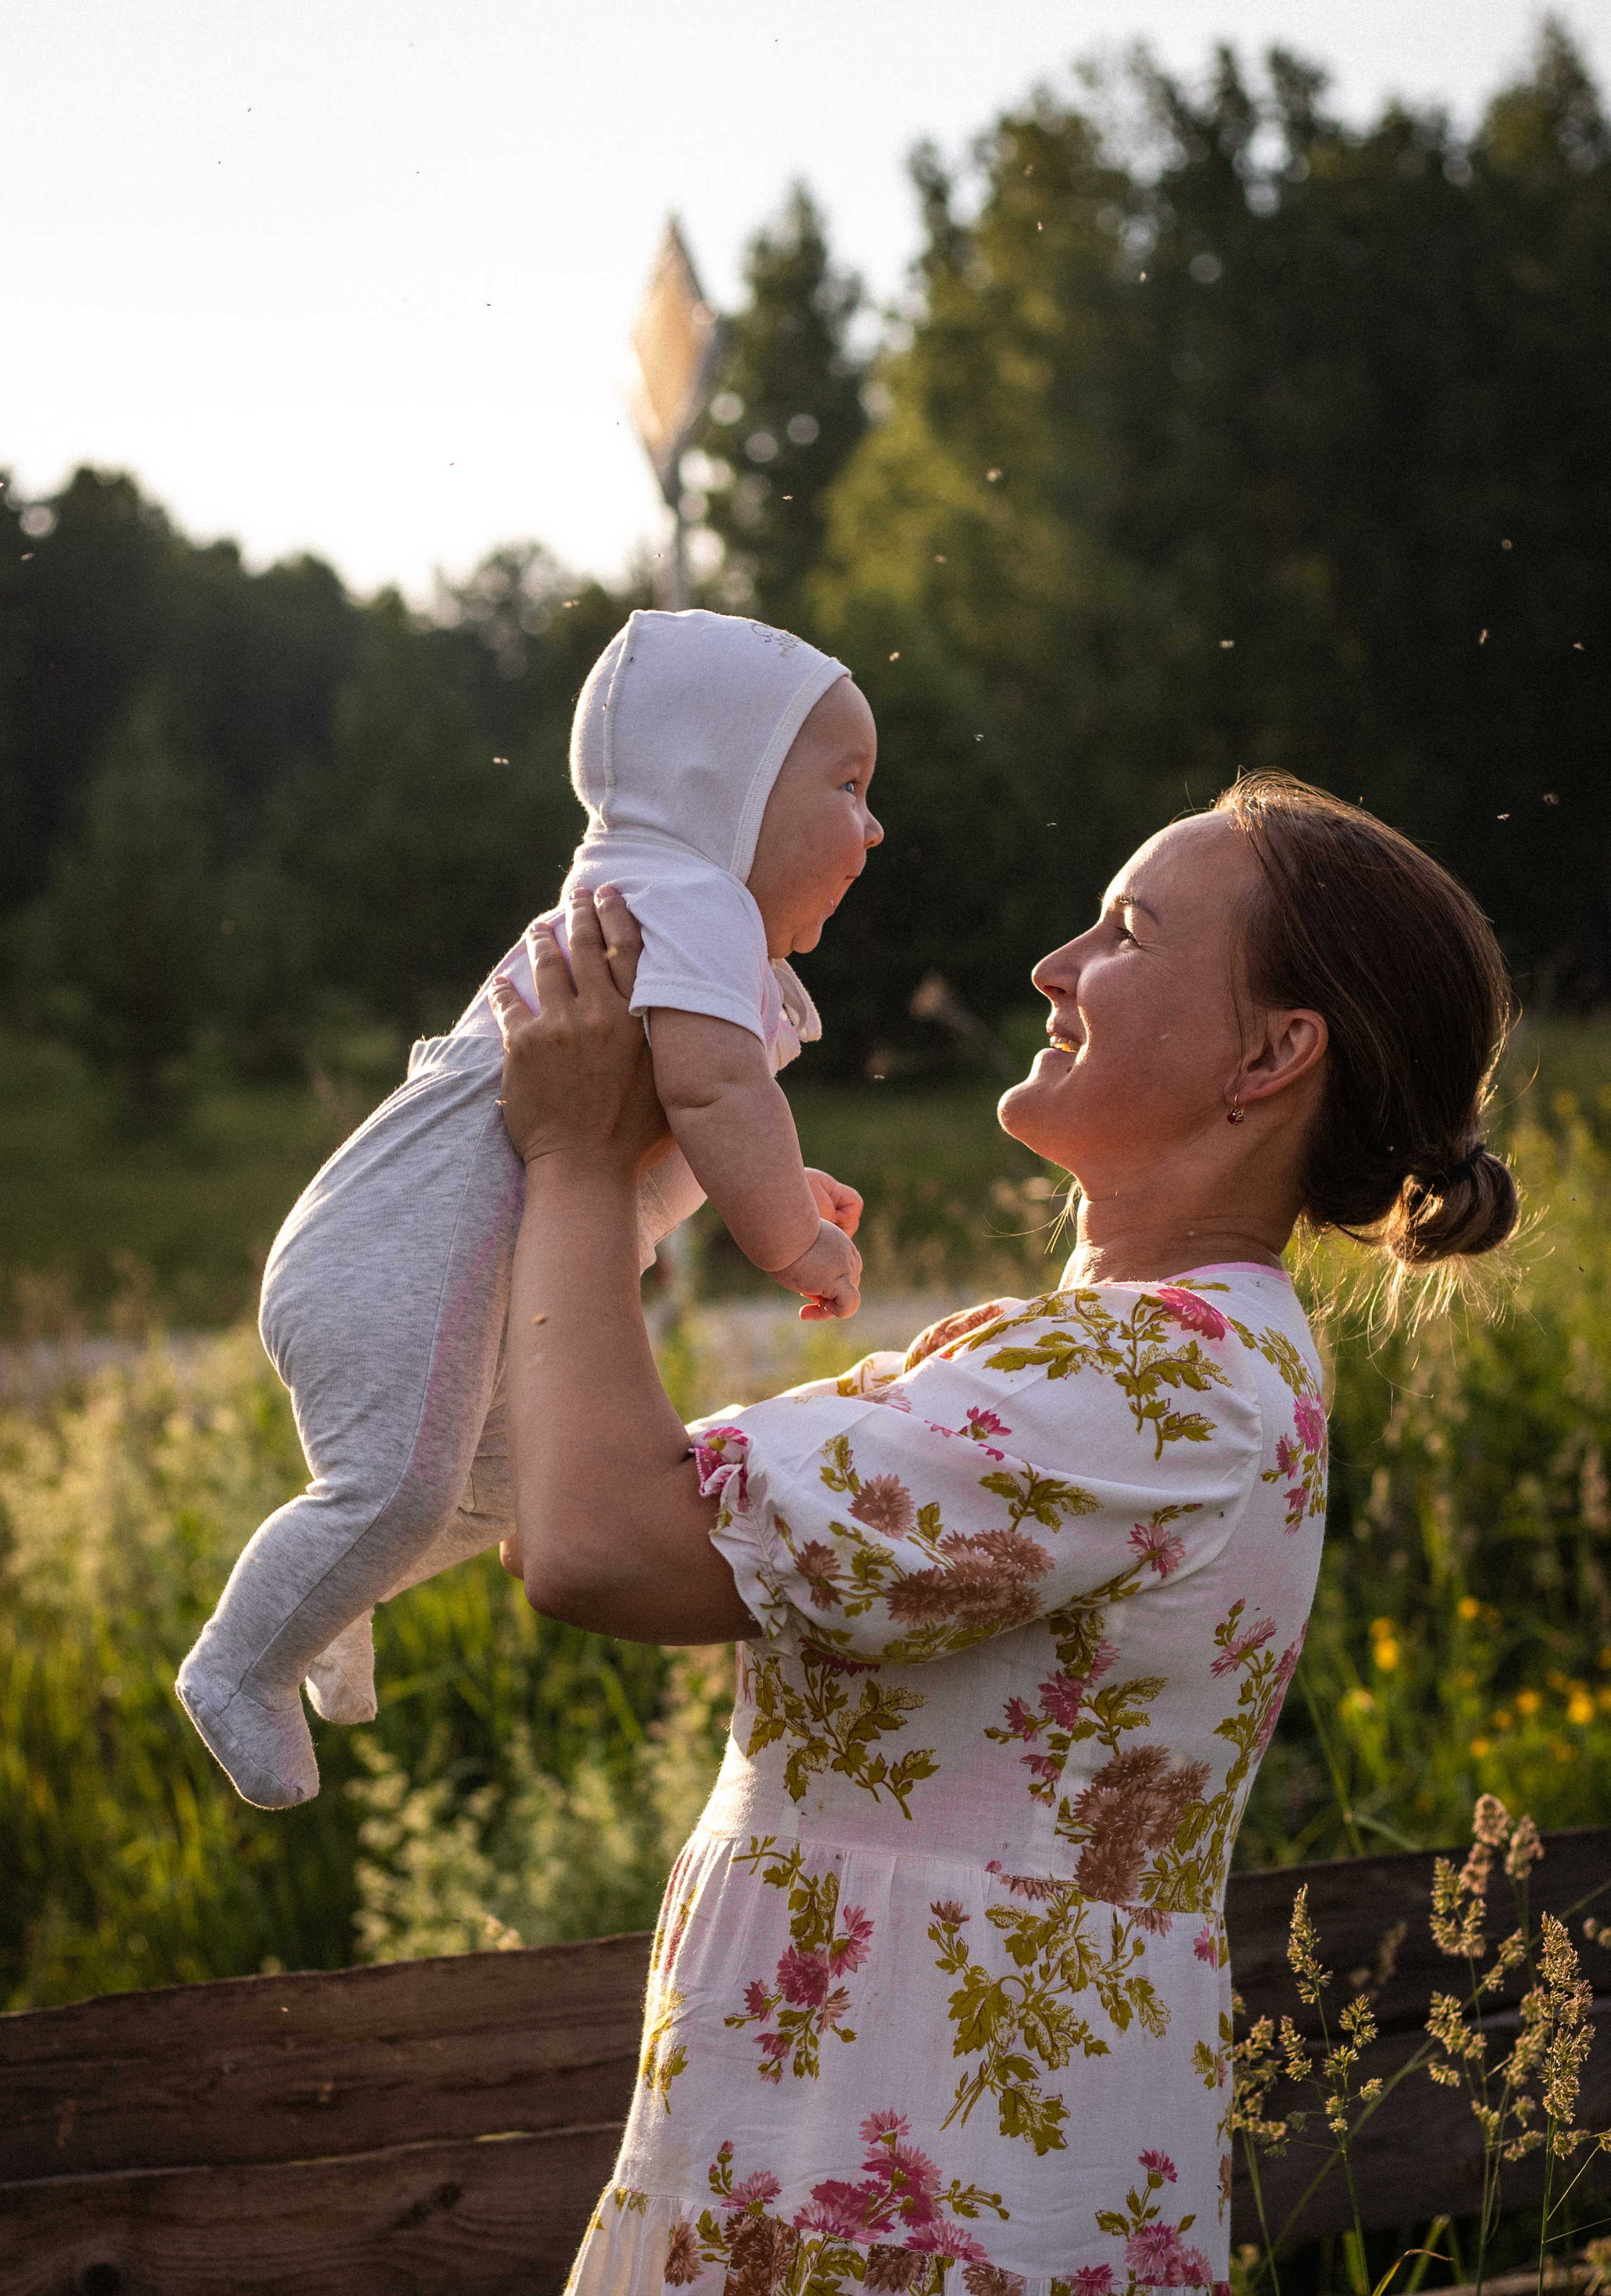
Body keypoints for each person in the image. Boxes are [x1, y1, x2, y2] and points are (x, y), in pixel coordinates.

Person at [488, 772, 1518, 2295]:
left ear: (1270, 1052)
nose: (1052, 966)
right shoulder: (1136, 1363)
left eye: (1123, 931)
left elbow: (593, 1539)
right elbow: (585, 1485)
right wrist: (638, 1182)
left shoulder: (1146, 1384)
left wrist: (574, 1157)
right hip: (889, 2149)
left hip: (924, 2188)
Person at [176, 609, 882, 1810]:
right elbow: (713, 1087)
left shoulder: (672, 911)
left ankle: (327, 1597)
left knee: (501, 1487)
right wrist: (792, 1233)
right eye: (851, 787)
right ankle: (237, 1665)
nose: (873, 827)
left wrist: (765, 1171)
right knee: (398, 1487)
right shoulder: (689, 899)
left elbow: (688, 1109)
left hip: (405, 1242)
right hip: (399, 1245)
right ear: (729, 786)